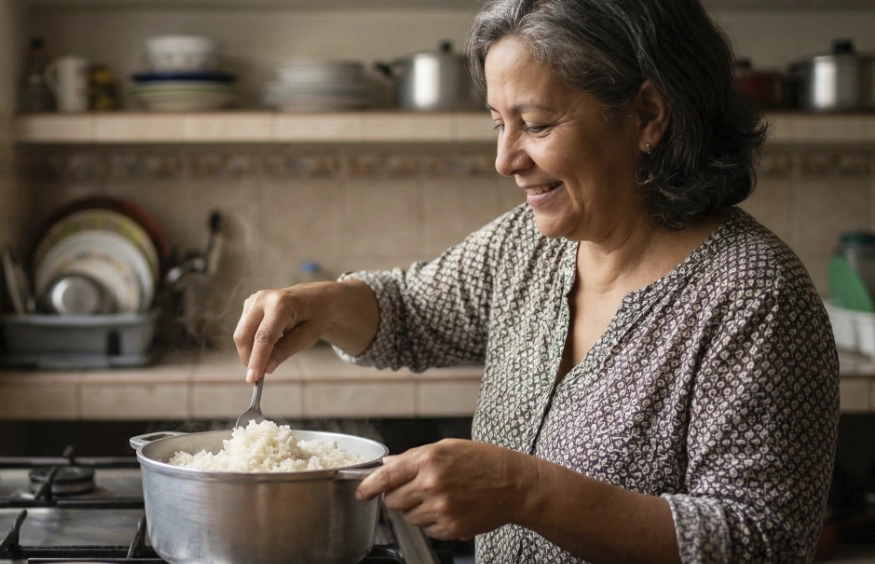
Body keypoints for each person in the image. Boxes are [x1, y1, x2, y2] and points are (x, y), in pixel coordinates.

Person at [232, 0, 840, 562]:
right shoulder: (529, 245)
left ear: (648, 116)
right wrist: (321, 304)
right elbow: (410, 310)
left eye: (538, 124)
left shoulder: (754, 297)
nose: (506, 159)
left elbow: (761, 543)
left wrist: (527, 490)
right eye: (500, 123)